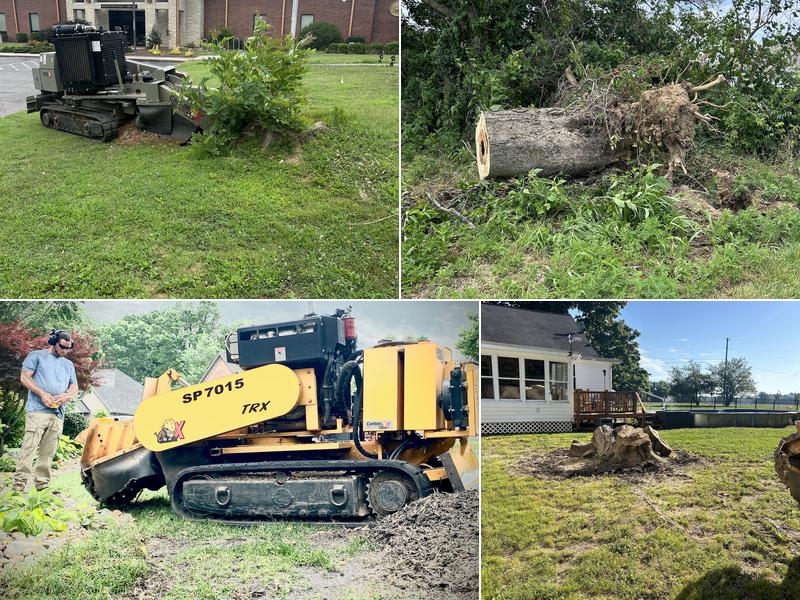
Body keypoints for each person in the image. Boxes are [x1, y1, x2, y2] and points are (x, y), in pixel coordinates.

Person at [12, 330, 78, 492]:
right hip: (37, 411)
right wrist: (42, 394)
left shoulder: (68, 365)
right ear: (53, 342)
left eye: (68, 348)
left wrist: (66, 396)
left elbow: (74, 386)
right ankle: (18, 486)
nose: (65, 351)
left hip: (58, 413)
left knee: (48, 452)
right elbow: (25, 377)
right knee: (29, 448)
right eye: (62, 347)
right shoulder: (36, 356)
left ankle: (42, 486)